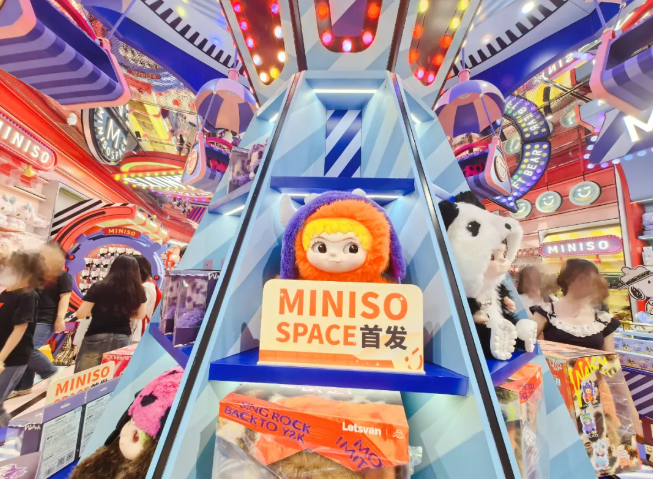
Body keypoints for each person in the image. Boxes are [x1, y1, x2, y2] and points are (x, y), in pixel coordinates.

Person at [10, 244, 71, 397]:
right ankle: (23, 386)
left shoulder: (62, 275)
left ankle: (51, 372)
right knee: (25, 351)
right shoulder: (35, 275)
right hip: (29, 318)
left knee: (27, 349)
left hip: (46, 318)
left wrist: (59, 318)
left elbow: (65, 297)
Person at [74, 255, 146, 373]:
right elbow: (140, 315)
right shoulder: (138, 290)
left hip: (96, 334)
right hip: (122, 336)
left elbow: (81, 314)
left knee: (85, 376)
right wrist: (123, 313)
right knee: (114, 376)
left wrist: (98, 312)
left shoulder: (98, 286)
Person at [530, 259, 619, 351]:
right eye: (584, 279)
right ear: (568, 281)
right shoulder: (545, 312)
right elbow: (525, 347)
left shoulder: (603, 319)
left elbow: (610, 357)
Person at [0, 252, 41, 426]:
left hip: (13, 358)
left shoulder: (28, 295)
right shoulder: (7, 292)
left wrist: (1, 358)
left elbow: (20, 329)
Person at [132, 255, 157, 342]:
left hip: (138, 331)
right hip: (138, 330)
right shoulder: (149, 284)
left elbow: (138, 312)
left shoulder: (146, 287)